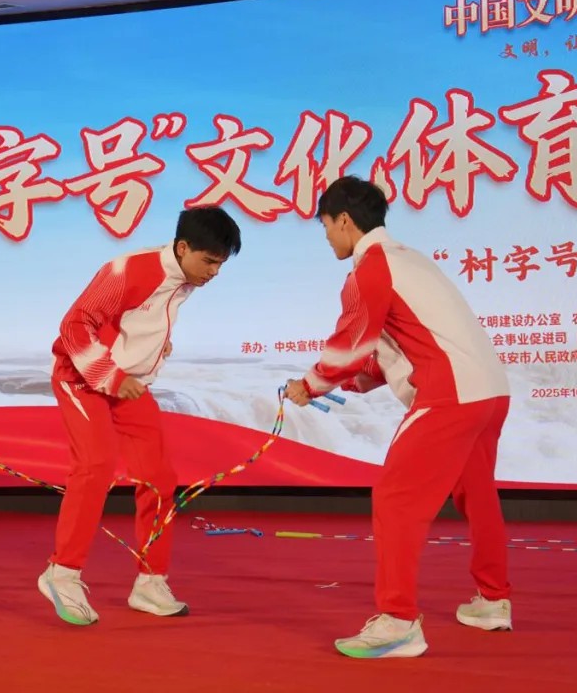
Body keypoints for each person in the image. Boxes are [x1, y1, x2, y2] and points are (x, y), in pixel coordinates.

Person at [284, 176, 513, 658]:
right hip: (490, 391)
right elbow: (394, 348)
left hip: (450, 394)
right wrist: (343, 384)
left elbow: (352, 341)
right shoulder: (410, 260)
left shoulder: (371, 267)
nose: (326, 237)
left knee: (394, 498)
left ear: (344, 221)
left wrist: (310, 384)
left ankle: (399, 622)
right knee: (478, 495)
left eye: (325, 226)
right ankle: (493, 601)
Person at [39, 206, 242, 626]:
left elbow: (137, 320)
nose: (214, 273)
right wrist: (112, 377)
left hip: (128, 386)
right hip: (82, 379)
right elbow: (74, 326)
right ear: (182, 248)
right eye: (209, 261)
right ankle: (62, 573)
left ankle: (151, 582)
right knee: (96, 466)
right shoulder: (127, 270)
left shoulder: (184, 278)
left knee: (159, 478)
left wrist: (155, 349)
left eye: (221, 264)